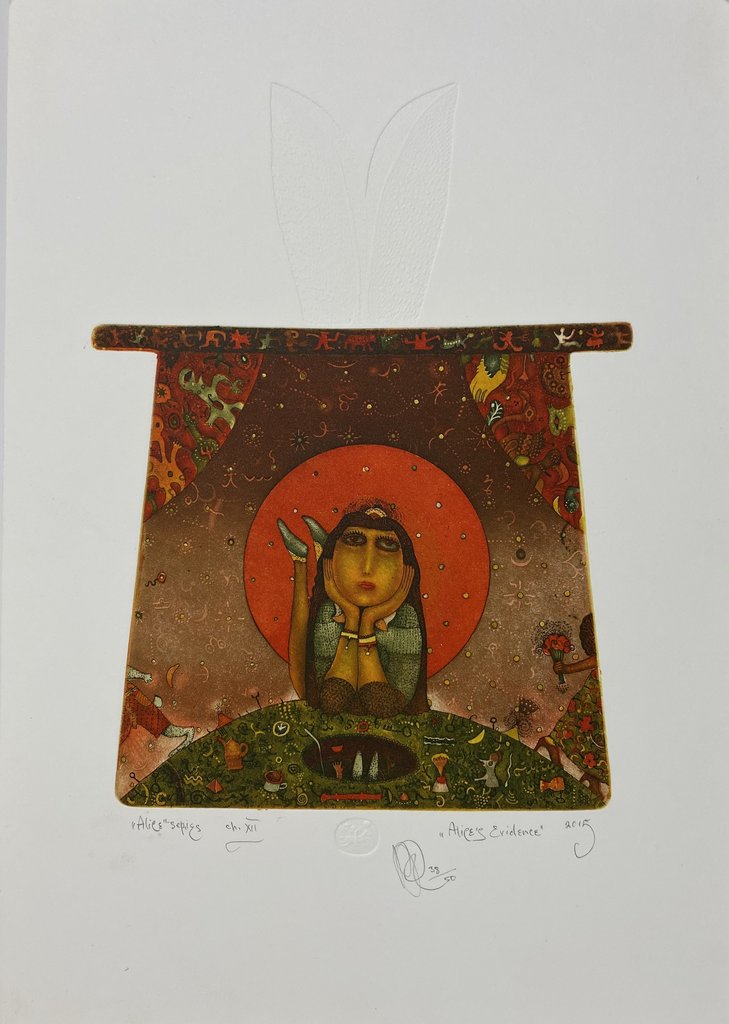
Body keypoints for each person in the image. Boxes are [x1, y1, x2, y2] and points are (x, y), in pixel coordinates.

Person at [277, 502, 428, 716]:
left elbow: (382, 701)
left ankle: (307, 556)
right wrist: (352, 616)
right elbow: (332, 697)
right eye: (354, 541)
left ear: (407, 568)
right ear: (332, 560)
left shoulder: (405, 618)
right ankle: (302, 559)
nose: (367, 567)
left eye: (387, 545)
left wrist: (367, 620)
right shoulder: (330, 611)